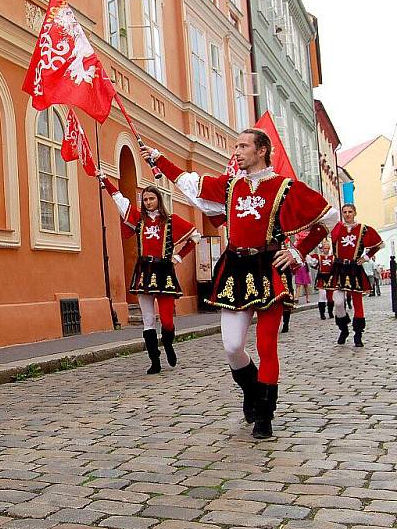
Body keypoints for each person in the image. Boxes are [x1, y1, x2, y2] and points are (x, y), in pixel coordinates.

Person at [144, 128, 337, 438]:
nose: (236, 151)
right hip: (234, 267)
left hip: (267, 266)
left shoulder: (285, 187)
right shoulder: (230, 185)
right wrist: (159, 159)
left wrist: (297, 252)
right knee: (233, 347)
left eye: (243, 145)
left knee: (266, 346)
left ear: (261, 150)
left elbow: (328, 219)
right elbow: (190, 183)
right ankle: (251, 388)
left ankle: (265, 414)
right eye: (236, 145)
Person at [98, 175, 199, 373]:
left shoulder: (171, 220)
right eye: (145, 199)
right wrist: (106, 181)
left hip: (164, 271)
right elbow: (121, 201)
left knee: (168, 319)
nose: (148, 202)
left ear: (158, 200)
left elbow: (195, 237)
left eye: (151, 198)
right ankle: (154, 360)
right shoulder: (139, 220)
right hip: (144, 271)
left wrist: (177, 257)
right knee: (148, 319)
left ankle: (168, 343)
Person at [326, 203, 383, 347]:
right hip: (339, 267)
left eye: (350, 211)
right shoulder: (337, 227)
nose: (347, 214)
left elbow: (378, 244)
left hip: (354, 267)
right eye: (344, 212)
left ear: (355, 212)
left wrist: (366, 257)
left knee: (357, 302)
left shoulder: (363, 229)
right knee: (338, 302)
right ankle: (343, 328)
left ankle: (358, 334)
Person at [308, 238, 335, 320]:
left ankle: (330, 312)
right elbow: (310, 261)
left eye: (327, 248)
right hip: (321, 277)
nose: (326, 250)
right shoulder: (318, 257)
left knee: (330, 297)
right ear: (322, 248)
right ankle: (322, 313)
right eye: (324, 248)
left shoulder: (333, 257)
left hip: (330, 278)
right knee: (322, 296)